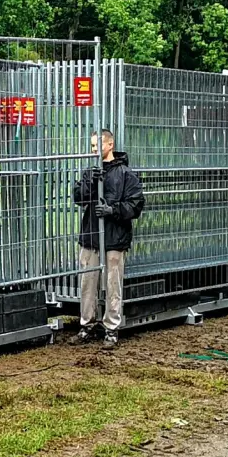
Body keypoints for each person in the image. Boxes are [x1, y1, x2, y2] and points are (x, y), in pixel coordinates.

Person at [73, 129, 145, 348]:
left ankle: (111, 328)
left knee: (113, 284)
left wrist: (113, 210)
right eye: (92, 146)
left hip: (115, 238)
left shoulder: (126, 174)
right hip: (91, 237)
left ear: (110, 144)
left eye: (97, 146)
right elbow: (78, 197)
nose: (94, 150)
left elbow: (136, 205)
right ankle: (86, 324)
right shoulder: (90, 172)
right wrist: (91, 184)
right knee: (87, 283)